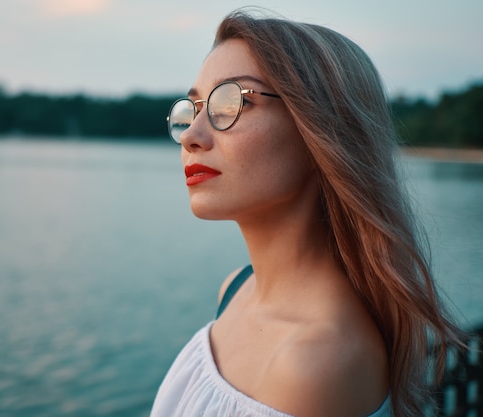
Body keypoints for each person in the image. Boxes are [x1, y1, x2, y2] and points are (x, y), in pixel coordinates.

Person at [151, 8, 463, 417]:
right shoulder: (235, 290)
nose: (191, 136)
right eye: (192, 109)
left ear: (320, 130)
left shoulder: (317, 362)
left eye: (231, 104)